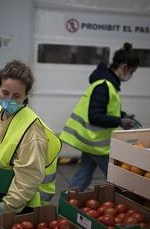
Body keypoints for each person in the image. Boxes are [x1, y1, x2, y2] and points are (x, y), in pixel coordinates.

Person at [0, 60, 61, 224]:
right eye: (5, 92)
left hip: (26, 204)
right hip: (3, 193)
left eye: (16, 96)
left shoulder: (32, 130)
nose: (9, 100)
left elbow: (28, 178)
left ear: (25, 96)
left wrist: (5, 206)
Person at [59, 42, 140, 192]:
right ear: (125, 67)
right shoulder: (104, 85)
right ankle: (124, 203)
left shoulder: (107, 83)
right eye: (132, 72)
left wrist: (123, 116)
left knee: (83, 175)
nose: (131, 76)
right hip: (98, 145)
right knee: (117, 178)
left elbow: (107, 110)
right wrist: (120, 121)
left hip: (92, 143)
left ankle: (68, 202)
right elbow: (95, 116)